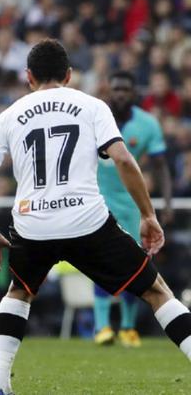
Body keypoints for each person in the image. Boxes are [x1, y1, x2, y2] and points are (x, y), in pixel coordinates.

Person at [0, 39, 191, 395]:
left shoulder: (8, 116)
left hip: (32, 225)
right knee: (156, 291)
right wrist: (148, 214)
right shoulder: (92, 106)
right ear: (69, 75)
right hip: (85, 222)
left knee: (19, 292)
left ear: (29, 77)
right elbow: (123, 160)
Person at [94, 70, 173, 347]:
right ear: (109, 91)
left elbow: (160, 166)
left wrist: (166, 203)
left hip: (131, 204)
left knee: (134, 264)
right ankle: (102, 326)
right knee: (99, 260)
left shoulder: (147, 124)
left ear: (134, 93)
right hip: (97, 199)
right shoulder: (95, 118)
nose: (120, 94)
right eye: (115, 89)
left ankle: (128, 327)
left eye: (125, 89)